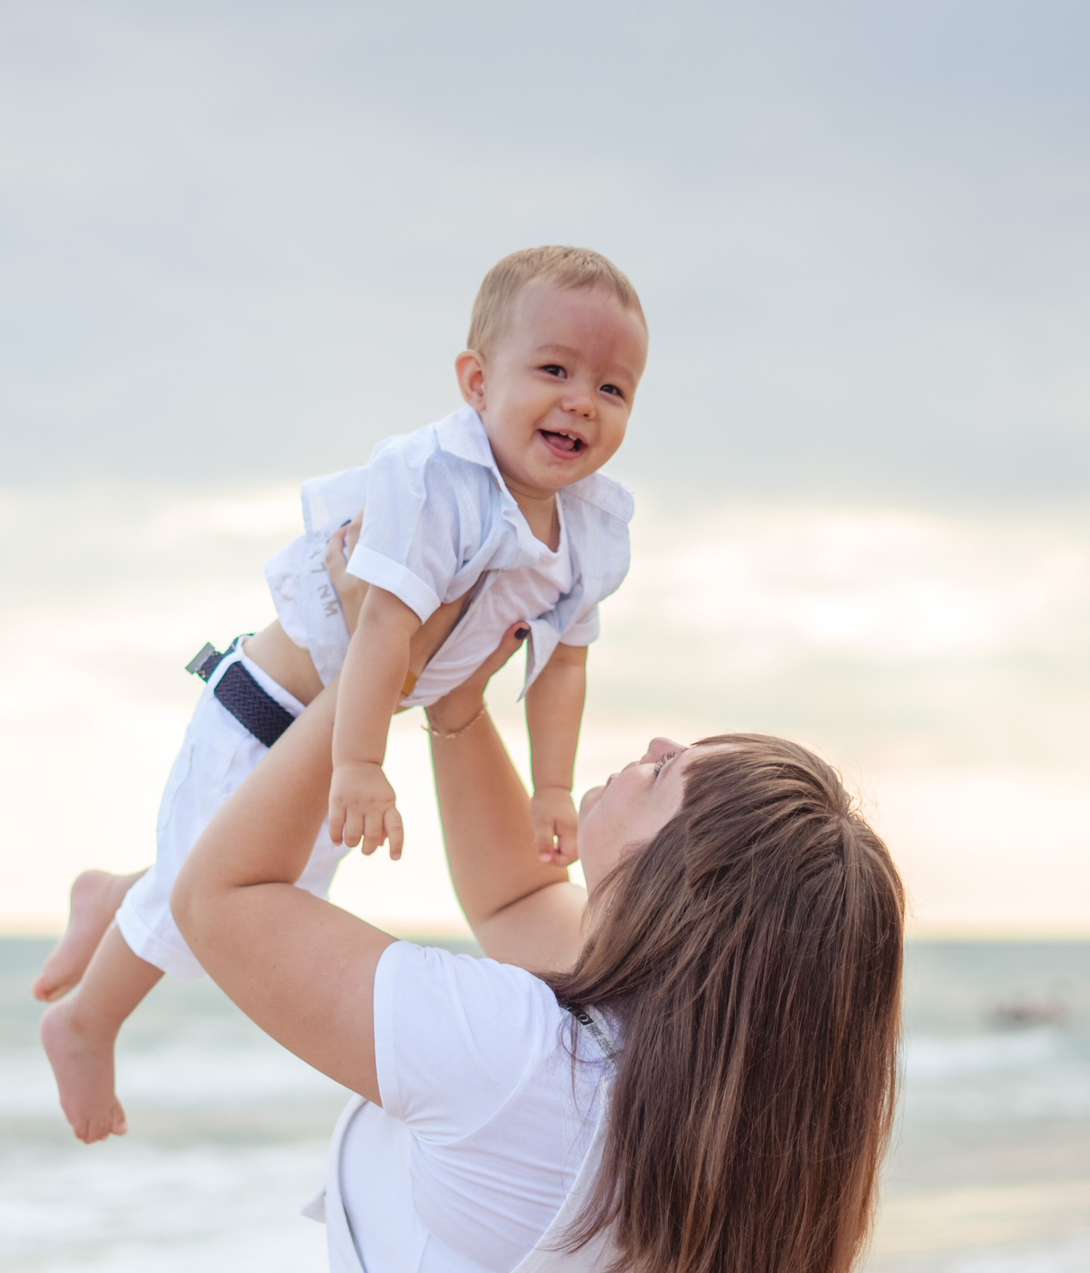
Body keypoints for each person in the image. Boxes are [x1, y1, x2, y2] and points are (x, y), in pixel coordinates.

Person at [172, 626, 906, 1273]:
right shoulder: (721, 1091)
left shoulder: (518, 1065)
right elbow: (517, 905)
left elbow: (221, 901)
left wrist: (384, 656)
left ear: (678, 876)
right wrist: (458, 709)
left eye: (669, 772)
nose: (652, 743)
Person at [34, 244, 648, 1144]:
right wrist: (361, 763)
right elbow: (383, 630)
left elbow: (561, 663)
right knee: (203, 906)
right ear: (477, 381)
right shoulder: (435, 483)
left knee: (248, 884)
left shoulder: (591, 527)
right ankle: (84, 1022)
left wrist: (552, 787)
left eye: (612, 388)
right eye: (553, 370)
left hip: (341, 734)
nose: (580, 403)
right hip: (272, 714)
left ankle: (110, 896)